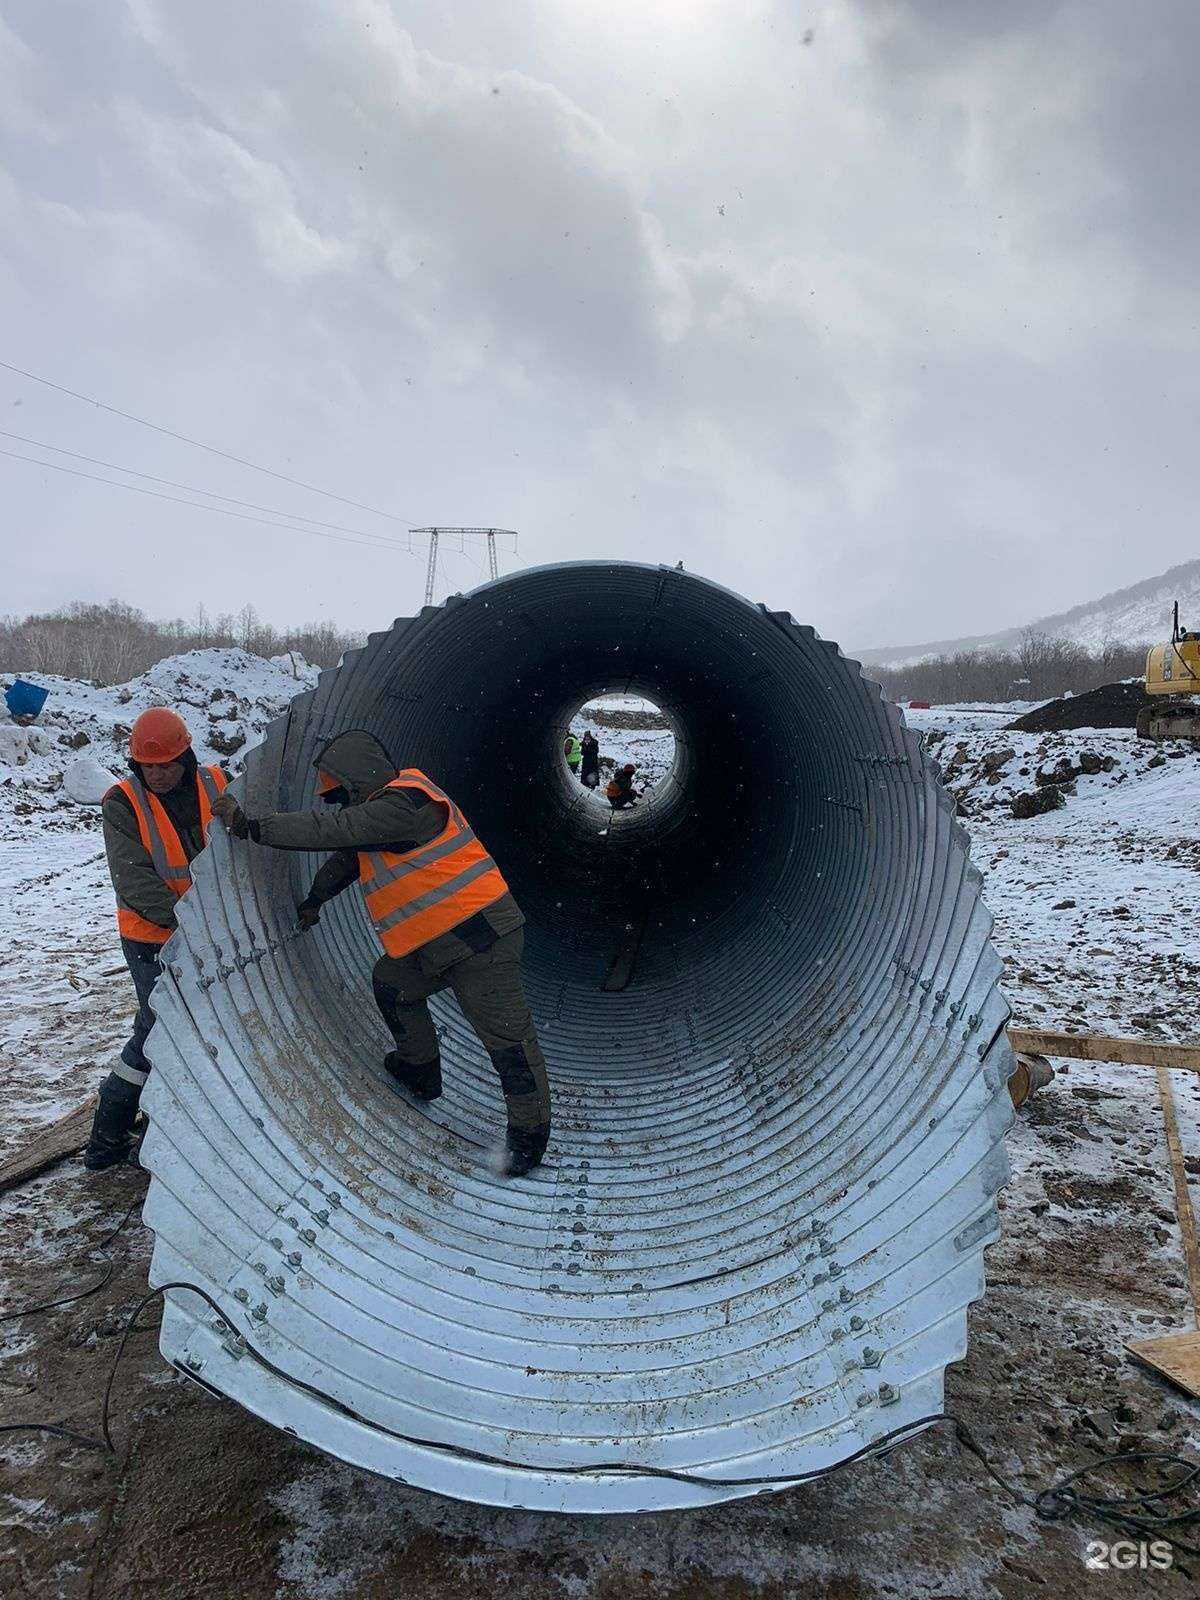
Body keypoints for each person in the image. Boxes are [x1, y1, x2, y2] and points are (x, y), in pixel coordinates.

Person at [211, 731, 551, 1176]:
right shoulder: (381, 819)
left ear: (357, 781)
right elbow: (349, 856)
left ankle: (528, 1139)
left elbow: (334, 830)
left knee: (507, 1040)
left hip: (479, 939)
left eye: (339, 796)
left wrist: (250, 825)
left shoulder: (405, 803)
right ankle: (420, 1070)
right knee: (392, 984)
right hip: (435, 943)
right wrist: (315, 899)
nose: (338, 806)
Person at [83, 709, 228, 1170]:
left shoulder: (218, 784)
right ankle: (108, 1138)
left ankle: (173, 1121)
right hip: (152, 938)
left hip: (210, 928)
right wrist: (188, 921)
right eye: (150, 766)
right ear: (136, 765)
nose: (160, 775)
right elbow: (134, 880)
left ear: (187, 757)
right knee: (158, 1026)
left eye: (168, 764)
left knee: (209, 1025)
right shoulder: (122, 802)